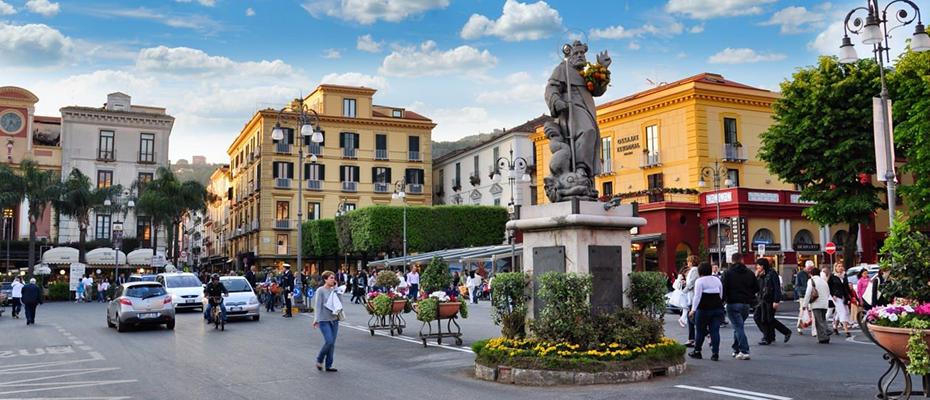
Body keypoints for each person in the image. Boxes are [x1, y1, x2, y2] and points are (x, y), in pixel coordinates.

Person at [722, 254, 759, 360]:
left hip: (732, 303)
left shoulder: (727, 273)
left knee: (738, 327)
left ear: (732, 261)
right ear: (742, 260)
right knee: (738, 326)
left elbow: (723, 288)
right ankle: (736, 349)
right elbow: (756, 288)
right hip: (746, 304)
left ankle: (744, 350)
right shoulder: (750, 273)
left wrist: (722, 301)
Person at [688, 262, 725, 361]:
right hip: (717, 308)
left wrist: (693, 310)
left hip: (703, 309)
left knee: (700, 331)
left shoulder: (700, 281)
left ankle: (697, 351)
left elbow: (697, 296)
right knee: (715, 331)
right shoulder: (717, 280)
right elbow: (721, 295)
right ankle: (715, 353)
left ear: (700, 271)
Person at [756, 258, 791, 345]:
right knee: (759, 317)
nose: (757, 267)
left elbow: (776, 287)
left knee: (767, 319)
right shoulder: (761, 275)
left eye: (758, 265)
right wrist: (757, 276)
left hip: (770, 299)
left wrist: (776, 300)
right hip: (762, 299)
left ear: (763, 266)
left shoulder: (772, 273)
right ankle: (770, 335)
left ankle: (769, 337)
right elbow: (757, 287)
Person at [313, 270, 341, 372]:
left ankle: (329, 365)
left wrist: (337, 290)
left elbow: (340, 304)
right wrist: (316, 319)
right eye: (331, 278)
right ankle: (319, 360)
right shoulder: (320, 290)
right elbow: (317, 306)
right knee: (329, 341)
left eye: (334, 278)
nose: (333, 280)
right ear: (325, 279)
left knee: (332, 343)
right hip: (324, 320)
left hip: (334, 319)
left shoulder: (334, 290)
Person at [803, 267, 831, 344]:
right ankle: (826, 334)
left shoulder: (811, 281)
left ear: (811, 274)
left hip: (816, 303)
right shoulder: (824, 281)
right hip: (824, 303)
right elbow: (828, 292)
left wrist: (804, 304)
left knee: (818, 321)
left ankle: (823, 337)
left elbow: (808, 292)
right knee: (823, 319)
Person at [828, 263, 852, 337]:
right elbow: (829, 287)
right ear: (835, 268)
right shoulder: (833, 276)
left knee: (841, 312)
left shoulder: (844, 276)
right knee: (843, 312)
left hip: (844, 296)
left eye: (841, 266)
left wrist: (849, 296)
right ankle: (846, 331)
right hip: (836, 296)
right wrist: (832, 295)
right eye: (839, 266)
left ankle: (835, 327)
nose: (841, 267)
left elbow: (846, 287)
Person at [683, 255, 701, 347]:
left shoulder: (694, 270)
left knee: (692, 318)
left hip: (693, 296)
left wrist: (684, 290)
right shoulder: (694, 270)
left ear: (692, 262)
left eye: (688, 261)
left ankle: (693, 338)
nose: (687, 263)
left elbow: (692, 282)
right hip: (692, 296)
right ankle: (691, 338)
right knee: (692, 318)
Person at [796, 261, 813, 335]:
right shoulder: (800, 274)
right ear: (806, 267)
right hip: (803, 295)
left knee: (812, 311)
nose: (810, 270)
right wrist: (802, 292)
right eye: (809, 268)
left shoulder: (812, 273)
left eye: (811, 268)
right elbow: (797, 286)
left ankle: (813, 328)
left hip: (811, 295)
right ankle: (799, 327)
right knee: (802, 311)